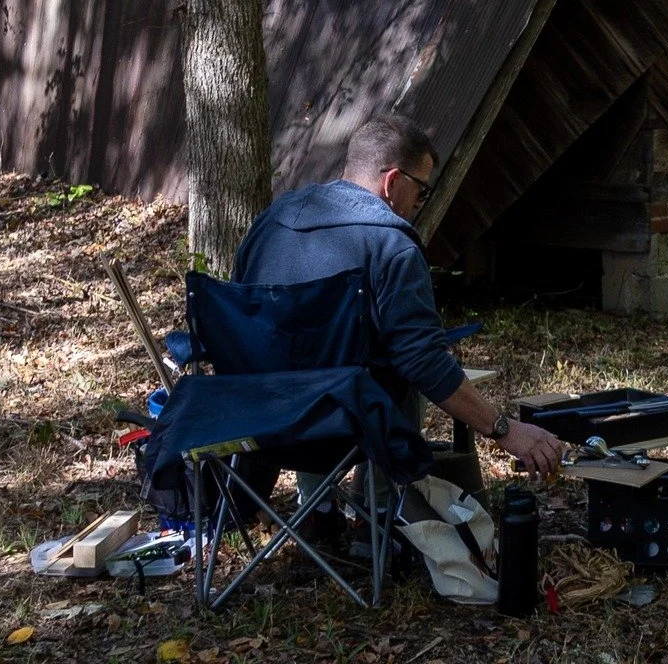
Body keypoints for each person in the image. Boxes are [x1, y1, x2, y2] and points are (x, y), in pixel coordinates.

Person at [234, 112, 563, 481]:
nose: (419, 203)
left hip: (253, 417)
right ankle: (384, 509)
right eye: (422, 191)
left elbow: (239, 311)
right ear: (392, 181)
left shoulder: (271, 220)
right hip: (337, 431)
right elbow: (423, 361)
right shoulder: (392, 247)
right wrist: (506, 430)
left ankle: (313, 509)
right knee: (397, 373)